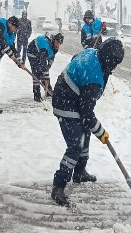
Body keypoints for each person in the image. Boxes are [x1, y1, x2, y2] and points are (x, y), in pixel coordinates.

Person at [50, 38, 125, 206]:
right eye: (114, 64)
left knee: (85, 133)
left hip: (72, 98)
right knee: (76, 145)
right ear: (109, 59)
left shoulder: (92, 52)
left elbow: (76, 57)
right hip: (65, 103)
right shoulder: (94, 78)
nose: (114, 68)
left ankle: (80, 172)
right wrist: (102, 133)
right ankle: (58, 186)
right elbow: (86, 113)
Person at [27, 32, 64, 102]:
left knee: (44, 72)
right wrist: (45, 71)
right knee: (37, 73)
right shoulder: (45, 45)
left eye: (60, 44)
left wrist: (48, 66)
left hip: (41, 55)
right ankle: (37, 95)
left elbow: (51, 57)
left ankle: (48, 90)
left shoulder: (54, 47)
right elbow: (42, 60)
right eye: (57, 42)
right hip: (32, 53)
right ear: (54, 40)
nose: (58, 45)